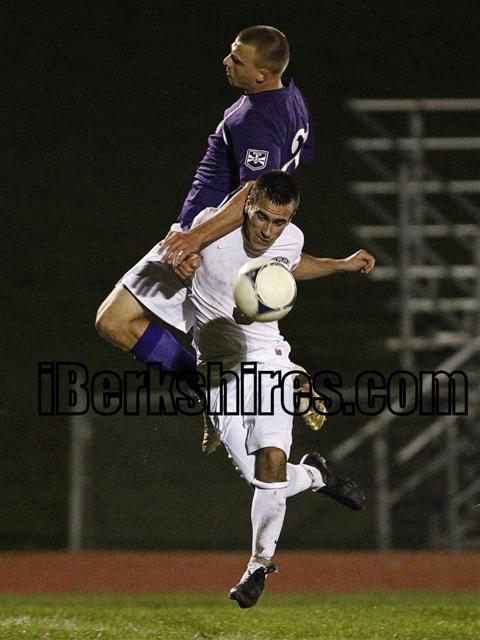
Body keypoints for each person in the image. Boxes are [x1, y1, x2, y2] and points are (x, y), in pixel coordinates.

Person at [184, 171, 375, 608]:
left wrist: (340, 264)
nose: (268, 232)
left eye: (279, 222)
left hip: (267, 355)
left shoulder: (288, 239)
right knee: (261, 478)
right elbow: (173, 261)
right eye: (262, 218)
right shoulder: (208, 229)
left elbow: (292, 260)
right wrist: (180, 264)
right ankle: (315, 475)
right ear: (246, 205)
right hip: (217, 367)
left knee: (271, 462)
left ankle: (258, 567)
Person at [95, 26, 313, 395]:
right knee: (222, 351)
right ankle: (258, 380)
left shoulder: (255, 118)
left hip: (210, 237)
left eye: (237, 60)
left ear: (262, 74)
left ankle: (241, 384)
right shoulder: (291, 96)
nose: (226, 62)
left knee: (117, 321)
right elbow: (293, 163)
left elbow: (254, 192)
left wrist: (196, 240)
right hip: (221, 238)